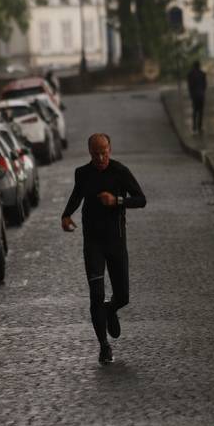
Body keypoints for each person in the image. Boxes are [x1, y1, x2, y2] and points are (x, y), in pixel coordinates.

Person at [61, 133, 146, 364]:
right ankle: (104, 346)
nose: (100, 157)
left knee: (123, 296)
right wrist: (66, 215)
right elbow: (77, 195)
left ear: (110, 149)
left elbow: (141, 199)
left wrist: (117, 201)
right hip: (93, 244)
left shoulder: (120, 171)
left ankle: (111, 310)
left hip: (116, 241)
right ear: (89, 152)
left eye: (104, 152)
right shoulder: (83, 173)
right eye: (95, 153)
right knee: (96, 295)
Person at [187, 61, 207, 134]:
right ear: (199, 66)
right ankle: (200, 127)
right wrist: (202, 92)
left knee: (195, 111)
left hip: (194, 95)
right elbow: (205, 85)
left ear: (193, 66)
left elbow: (189, 86)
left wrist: (191, 95)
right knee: (201, 112)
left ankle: (194, 127)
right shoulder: (203, 74)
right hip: (201, 95)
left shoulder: (190, 74)